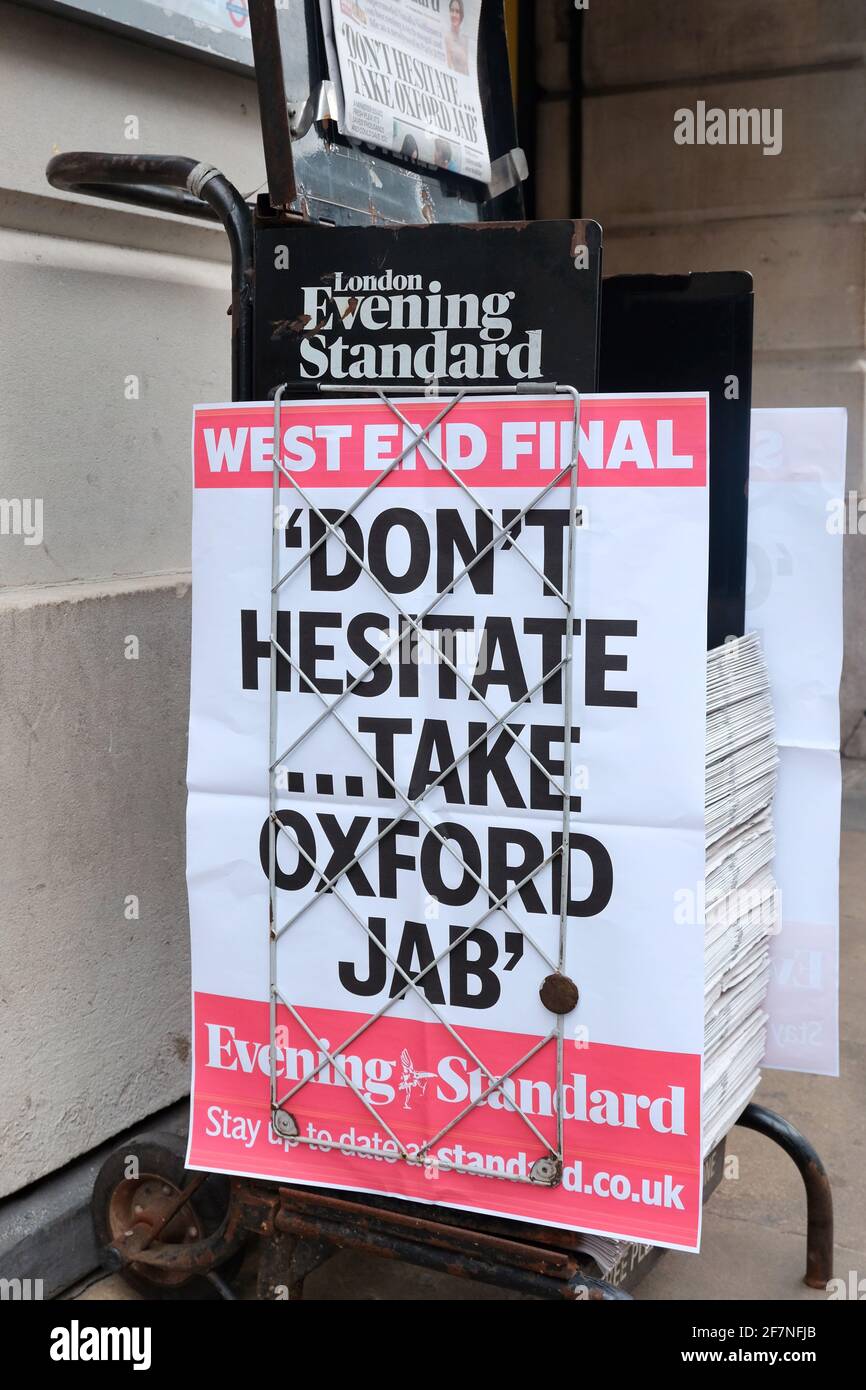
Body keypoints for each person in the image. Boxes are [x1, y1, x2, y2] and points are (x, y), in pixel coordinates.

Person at [444, 0, 469, 75]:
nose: (454, 15)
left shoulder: (465, 39)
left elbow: (467, 68)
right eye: (452, 11)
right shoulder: (447, 38)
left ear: (461, 15)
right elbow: (449, 67)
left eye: (457, 11)